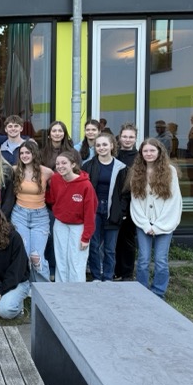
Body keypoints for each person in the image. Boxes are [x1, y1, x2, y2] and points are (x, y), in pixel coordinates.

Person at [130, 138, 182, 299]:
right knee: (143, 259)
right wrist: (145, 224)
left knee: (161, 260)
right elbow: (135, 201)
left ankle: (158, 293)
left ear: (159, 152)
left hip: (164, 223)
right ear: (141, 153)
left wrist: (158, 226)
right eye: (145, 151)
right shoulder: (136, 172)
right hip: (143, 223)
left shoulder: (170, 171)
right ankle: (142, 292)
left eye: (152, 150)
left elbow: (174, 201)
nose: (149, 153)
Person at [82, 133, 128, 281]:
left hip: (112, 210)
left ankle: (108, 277)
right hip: (94, 210)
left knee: (110, 248)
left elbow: (125, 193)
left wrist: (121, 211)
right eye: (98, 145)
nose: (101, 148)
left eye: (104, 144)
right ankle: (96, 276)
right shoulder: (88, 166)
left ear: (112, 146)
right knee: (94, 245)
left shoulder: (121, 168)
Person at [46, 151, 97, 283]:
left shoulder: (85, 185)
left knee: (76, 261)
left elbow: (90, 213)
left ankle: (77, 291)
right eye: (57, 163)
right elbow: (52, 199)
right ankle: (61, 289)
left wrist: (86, 237)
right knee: (61, 259)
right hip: (60, 224)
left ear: (73, 164)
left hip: (78, 226)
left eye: (64, 163)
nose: (60, 166)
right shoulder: (56, 179)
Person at [40, 121, 81, 280]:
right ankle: (51, 268)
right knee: (49, 236)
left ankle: (65, 271)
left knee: (66, 240)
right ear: (49, 134)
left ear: (64, 134)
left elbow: (78, 175)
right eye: (54, 131)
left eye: (60, 131)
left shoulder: (73, 153)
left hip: (68, 200)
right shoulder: (42, 152)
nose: (57, 133)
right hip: (48, 200)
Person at [11, 141, 53, 281]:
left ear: (34, 153)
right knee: (24, 254)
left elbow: (59, 188)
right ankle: (26, 286)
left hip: (40, 217)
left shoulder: (46, 172)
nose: (24, 155)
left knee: (36, 256)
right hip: (19, 215)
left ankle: (43, 288)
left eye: (27, 152)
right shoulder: (15, 170)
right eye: (22, 153)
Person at [114, 122, 139, 280]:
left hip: (131, 204)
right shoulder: (114, 154)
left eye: (131, 137)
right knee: (114, 240)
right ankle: (116, 270)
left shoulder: (139, 158)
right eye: (125, 136)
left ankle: (127, 273)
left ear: (135, 138)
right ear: (120, 137)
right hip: (114, 202)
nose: (127, 140)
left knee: (127, 239)